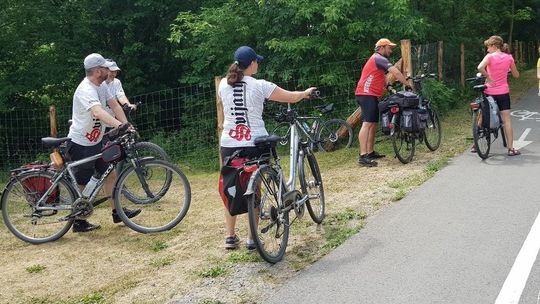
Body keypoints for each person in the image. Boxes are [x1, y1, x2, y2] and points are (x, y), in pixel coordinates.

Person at [218, 46, 316, 250]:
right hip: (255, 143)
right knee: (255, 188)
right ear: (252, 63)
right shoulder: (260, 85)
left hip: (229, 143)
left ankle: (230, 236)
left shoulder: (223, 85)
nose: (258, 64)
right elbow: (290, 96)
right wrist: (305, 93)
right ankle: (252, 239)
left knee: (232, 187)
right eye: (257, 61)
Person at [67, 53, 141, 232]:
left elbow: (114, 105)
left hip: (96, 141)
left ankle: (118, 213)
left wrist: (126, 125)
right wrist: (119, 126)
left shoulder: (101, 86)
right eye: (105, 68)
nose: (109, 71)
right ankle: (79, 221)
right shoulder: (86, 89)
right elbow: (98, 113)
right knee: (83, 181)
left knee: (111, 174)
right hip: (81, 143)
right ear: (98, 71)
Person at [355, 38, 410, 167]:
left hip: (371, 94)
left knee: (373, 124)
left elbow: (380, 76)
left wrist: (388, 85)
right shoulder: (378, 58)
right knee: (367, 124)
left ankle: (370, 152)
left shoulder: (378, 60)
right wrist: (407, 84)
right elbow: (395, 72)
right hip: (366, 94)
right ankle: (363, 156)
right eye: (389, 48)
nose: (391, 50)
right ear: (382, 47)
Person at [477, 35, 520, 156]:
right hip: (503, 93)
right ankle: (511, 149)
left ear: (494, 46)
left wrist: (489, 77)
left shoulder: (490, 57)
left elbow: (480, 67)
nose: (487, 50)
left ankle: (476, 144)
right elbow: (516, 75)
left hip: (489, 92)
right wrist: (510, 71)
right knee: (507, 120)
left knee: (482, 116)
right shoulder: (509, 58)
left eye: (488, 47)